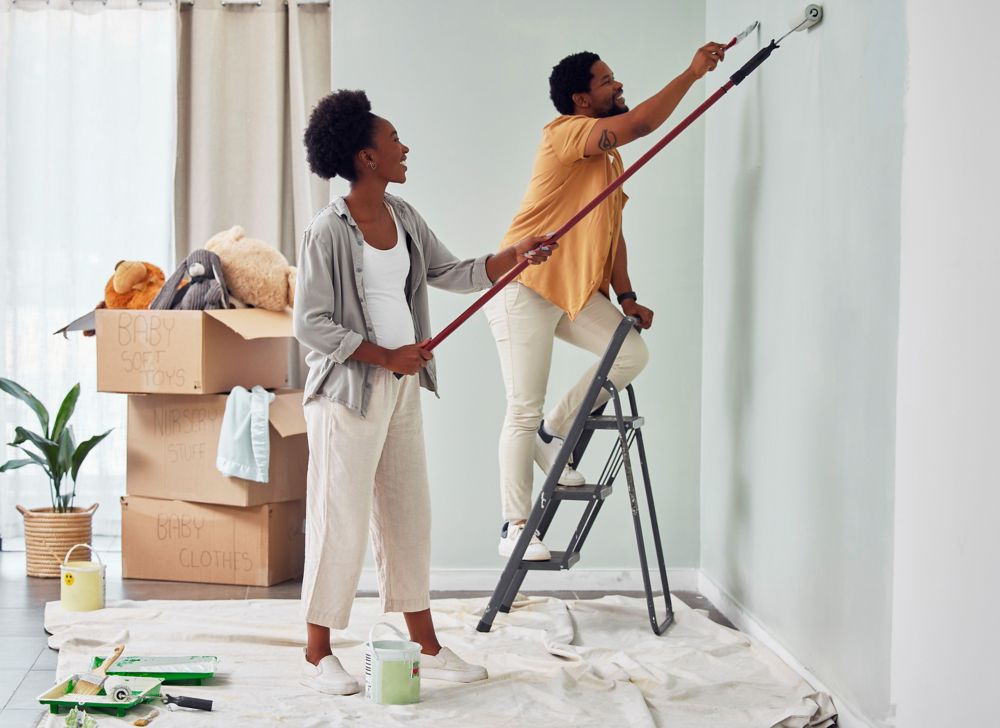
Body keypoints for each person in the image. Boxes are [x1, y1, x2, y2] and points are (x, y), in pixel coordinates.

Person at [294, 89, 554, 694]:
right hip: (346, 397)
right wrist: (385, 354)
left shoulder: (404, 216)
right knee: (339, 522)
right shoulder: (326, 231)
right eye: (393, 140)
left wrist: (512, 257)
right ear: (366, 157)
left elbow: (448, 272)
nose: (404, 147)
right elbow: (310, 322)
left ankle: (425, 644)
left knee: (408, 515)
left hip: (402, 388)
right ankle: (316, 654)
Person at [486, 43, 725, 561]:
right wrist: (692, 73)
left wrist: (627, 295)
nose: (618, 85)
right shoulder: (565, 133)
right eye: (606, 81)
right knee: (522, 406)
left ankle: (554, 434)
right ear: (582, 99)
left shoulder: (608, 159)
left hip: (571, 292)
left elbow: (613, 232)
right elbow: (641, 124)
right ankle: (515, 526)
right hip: (525, 287)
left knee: (630, 353)